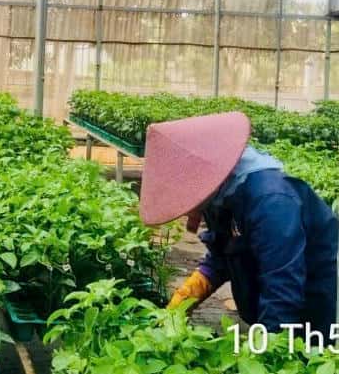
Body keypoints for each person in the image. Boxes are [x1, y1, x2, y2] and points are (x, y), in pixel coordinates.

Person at [138, 111, 338, 333]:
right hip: (270, 297)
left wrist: (266, 350)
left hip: (304, 308)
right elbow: (223, 253)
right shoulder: (222, 195)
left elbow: (283, 288)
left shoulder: (271, 202)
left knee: (299, 357)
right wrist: (188, 295)